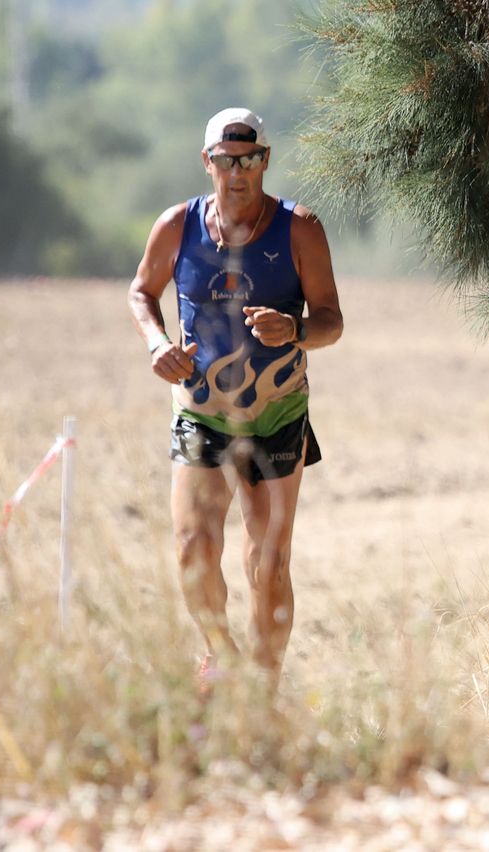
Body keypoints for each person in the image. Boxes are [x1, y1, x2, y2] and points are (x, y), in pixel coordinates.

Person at [127, 108, 343, 693]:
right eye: (226, 161)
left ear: (265, 161)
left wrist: (294, 329)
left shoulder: (299, 228)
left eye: (249, 160)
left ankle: (264, 689)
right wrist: (156, 343)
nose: (238, 173)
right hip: (200, 412)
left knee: (267, 562)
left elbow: (331, 322)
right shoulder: (177, 226)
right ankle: (220, 659)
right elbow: (142, 290)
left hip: (275, 415)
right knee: (192, 548)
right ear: (208, 163)